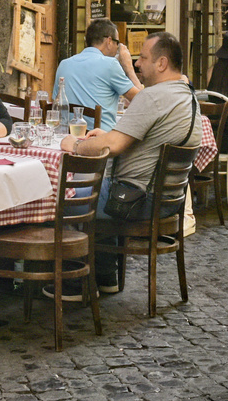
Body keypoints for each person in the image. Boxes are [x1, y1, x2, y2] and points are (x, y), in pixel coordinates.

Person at [62, 32, 200, 292]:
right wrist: (108, 137)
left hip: (135, 201)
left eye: (143, 58)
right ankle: (105, 277)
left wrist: (76, 145)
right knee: (103, 183)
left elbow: (114, 146)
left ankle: (70, 284)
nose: (136, 64)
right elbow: (134, 141)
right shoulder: (187, 96)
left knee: (60, 196)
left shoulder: (154, 96)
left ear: (161, 63)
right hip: (165, 202)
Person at [53, 19, 143, 131]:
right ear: (109, 41)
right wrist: (129, 68)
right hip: (100, 138)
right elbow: (142, 100)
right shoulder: (110, 64)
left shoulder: (64, 64)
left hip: (68, 135)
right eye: (117, 43)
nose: (117, 47)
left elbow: (55, 104)